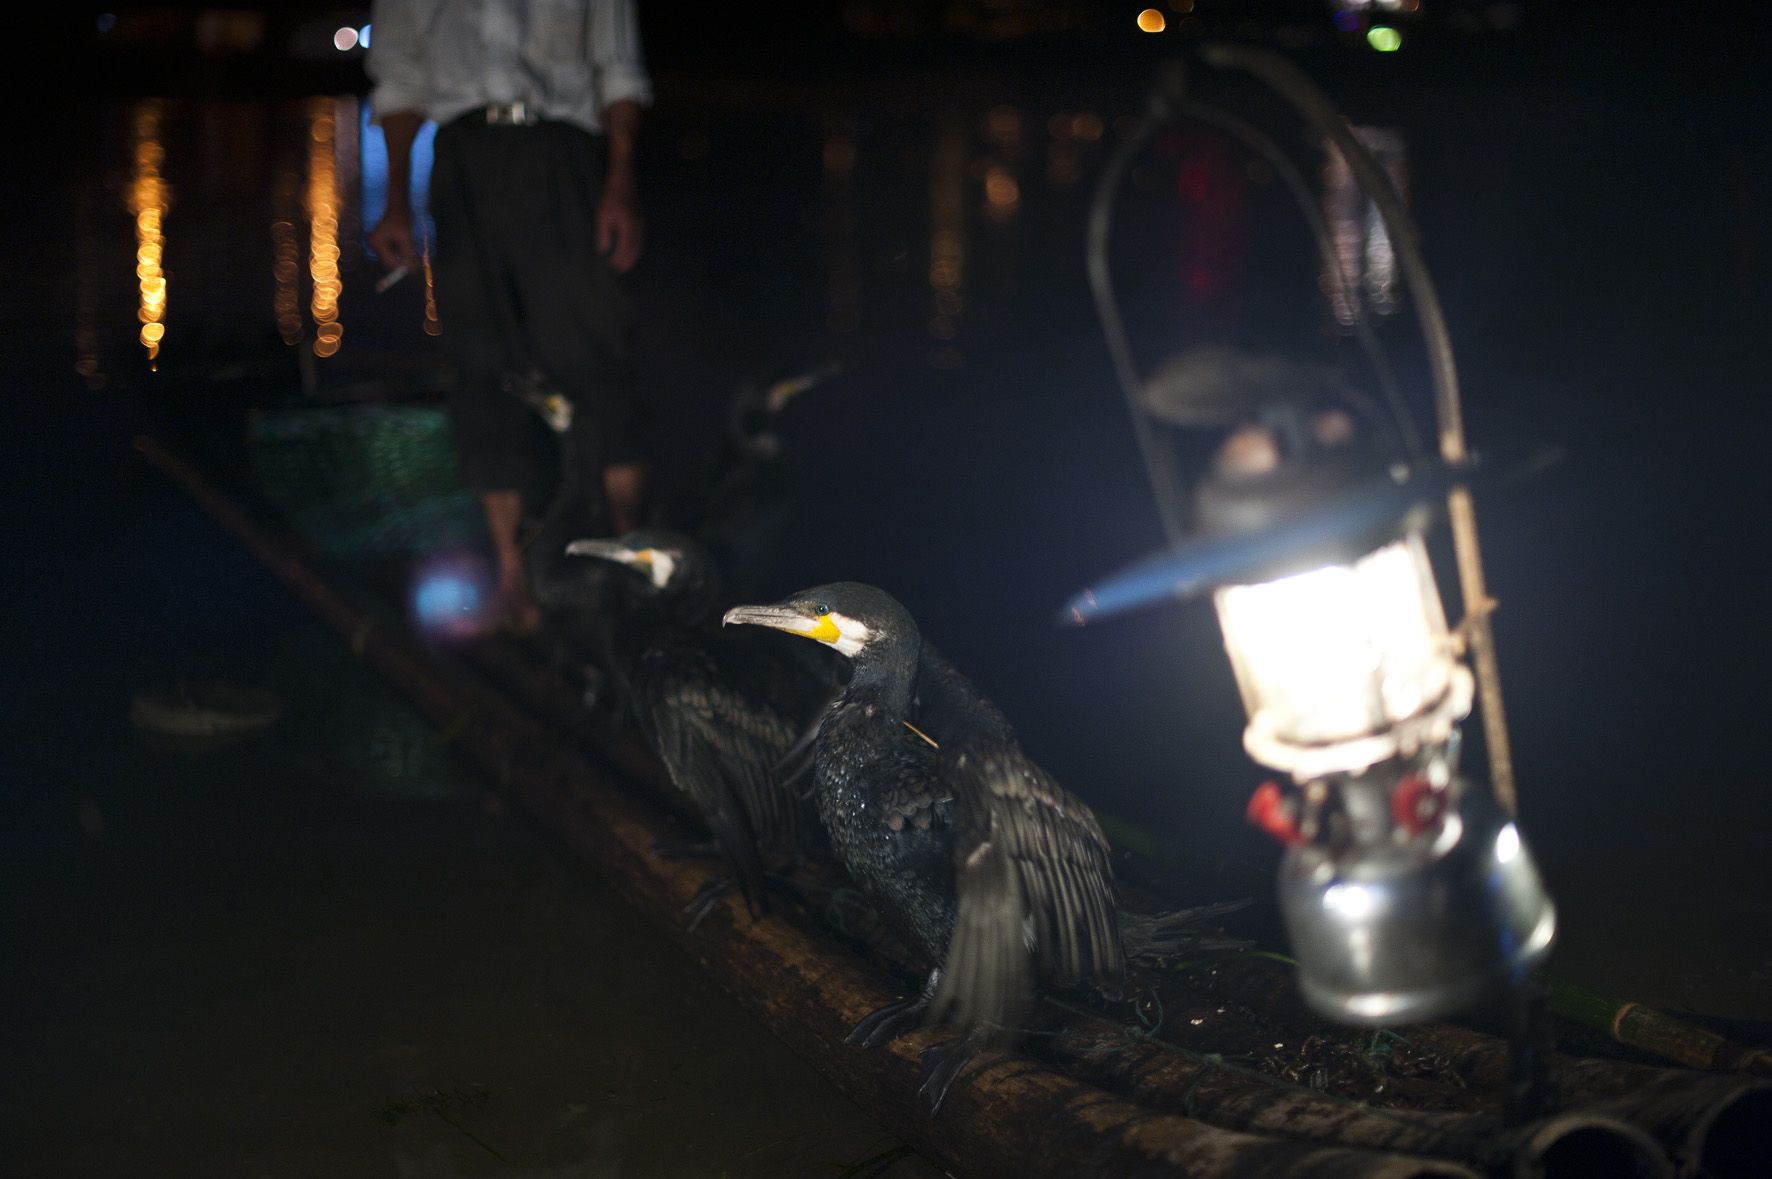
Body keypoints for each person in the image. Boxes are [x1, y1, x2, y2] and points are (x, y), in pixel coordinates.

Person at [365, 0, 652, 634]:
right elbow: (401, 77)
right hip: (462, 158)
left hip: (565, 152)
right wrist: (394, 202)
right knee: (480, 363)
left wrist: (621, 179)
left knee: (596, 353)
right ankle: (512, 578)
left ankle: (632, 558)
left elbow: (620, 67)